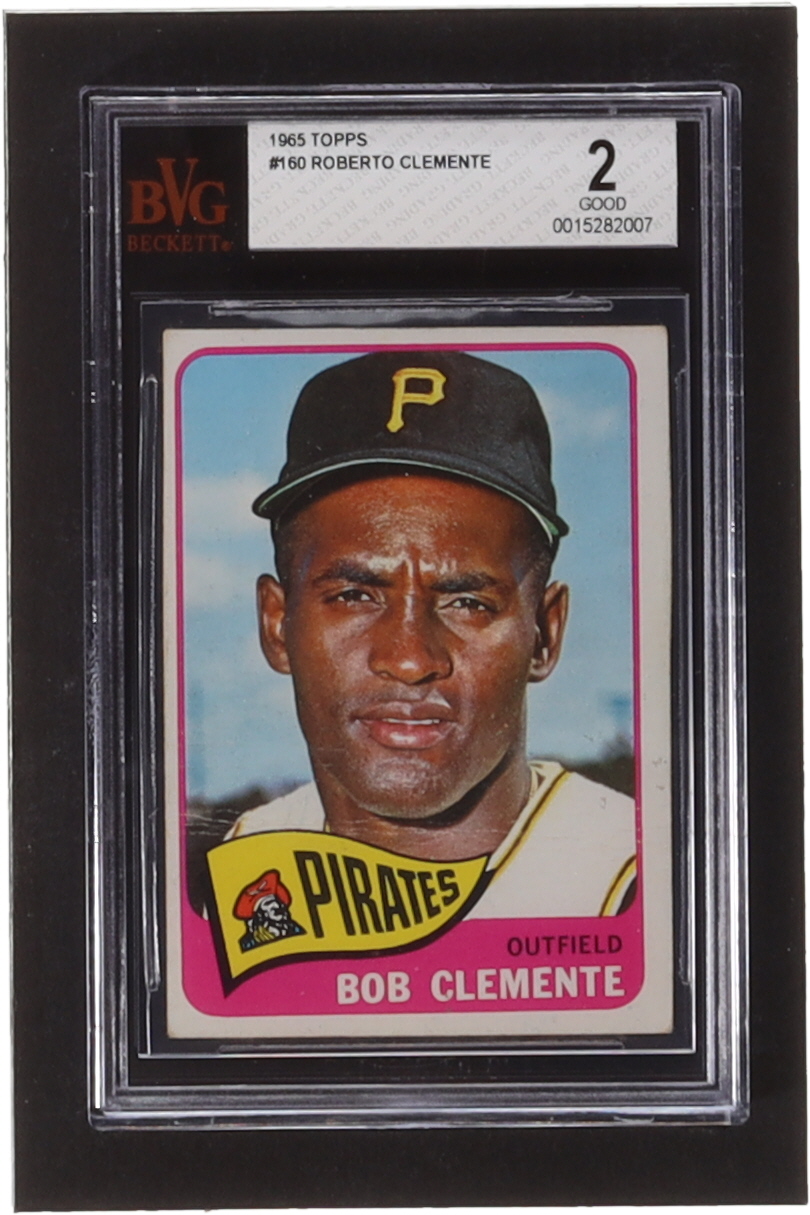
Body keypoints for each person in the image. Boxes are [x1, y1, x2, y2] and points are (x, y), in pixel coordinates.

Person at [227, 350, 636, 918]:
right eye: (354, 596)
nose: (410, 659)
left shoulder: (647, 884)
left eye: (467, 603)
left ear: (544, 633)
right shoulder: (241, 864)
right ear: (277, 624)